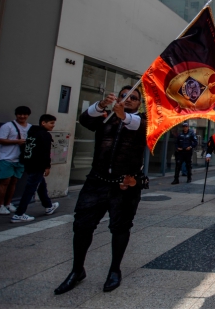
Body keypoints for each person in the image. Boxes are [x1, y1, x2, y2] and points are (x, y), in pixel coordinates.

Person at [54, 86, 148, 295]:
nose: (128, 99)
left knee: (120, 228)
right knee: (82, 226)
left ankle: (115, 270)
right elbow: (86, 121)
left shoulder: (142, 121)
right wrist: (102, 105)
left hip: (125, 185)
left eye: (133, 97)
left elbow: (138, 127)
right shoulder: (106, 118)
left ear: (139, 104)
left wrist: (122, 114)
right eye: (124, 96)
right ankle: (77, 270)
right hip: (96, 182)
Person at [12, 114, 60, 222]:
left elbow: (27, 148)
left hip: (30, 163)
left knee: (41, 186)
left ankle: (48, 206)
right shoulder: (45, 135)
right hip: (38, 165)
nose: (53, 125)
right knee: (30, 189)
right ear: (43, 123)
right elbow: (45, 152)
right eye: (51, 123)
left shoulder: (31, 132)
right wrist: (47, 166)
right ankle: (19, 214)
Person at [0, 106, 33, 215]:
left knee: (14, 182)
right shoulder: (8, 126)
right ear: (16, 115)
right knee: (5, 182)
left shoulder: (30, 127)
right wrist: (16, 142)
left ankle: (8, 203)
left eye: (25, 114)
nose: (22, 116)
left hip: (20, 159)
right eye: (20, 114)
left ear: (28, 115)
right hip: (6, 157)